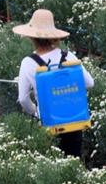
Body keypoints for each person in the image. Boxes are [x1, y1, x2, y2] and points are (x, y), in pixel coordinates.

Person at [12, 9, 94, 158]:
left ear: (32, 37)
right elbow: (89, 83)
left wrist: (37, 113)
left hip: (49, 123)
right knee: (73, 162)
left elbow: (23, 98)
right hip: (74, 121)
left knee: (54, 162)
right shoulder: (68, 55)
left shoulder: (28, 63)